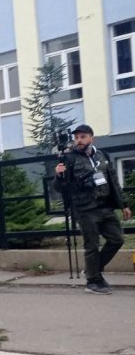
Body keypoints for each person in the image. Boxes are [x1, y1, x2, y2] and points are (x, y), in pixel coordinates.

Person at [53, 124, 132, 294]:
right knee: (92, 245)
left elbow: (113, 181)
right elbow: (60, 188)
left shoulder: (102, 155)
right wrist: (59, 175)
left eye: (83, 137)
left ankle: (92, 270)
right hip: (85, 209)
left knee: (117, 239)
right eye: (76, 137)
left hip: (106, 207)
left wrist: (124, 204)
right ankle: (93, 281)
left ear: (91, 138)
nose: (79, 140)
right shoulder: (69, 158)